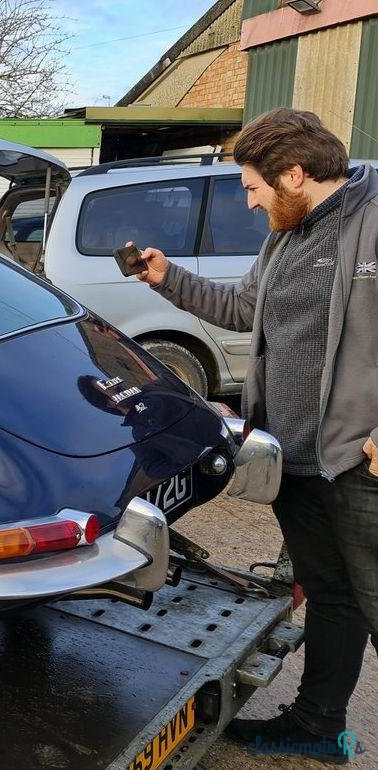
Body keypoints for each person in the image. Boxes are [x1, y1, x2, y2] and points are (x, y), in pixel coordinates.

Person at [131, 108, 378, 765]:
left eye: (253, 187)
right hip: (295, 461)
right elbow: (243, 310)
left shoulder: (373, 219)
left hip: (362, 462)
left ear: (295, 174)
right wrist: (168, 278)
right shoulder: (286, 234)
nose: (248, 199)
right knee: (332, 597)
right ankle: (320, 726)